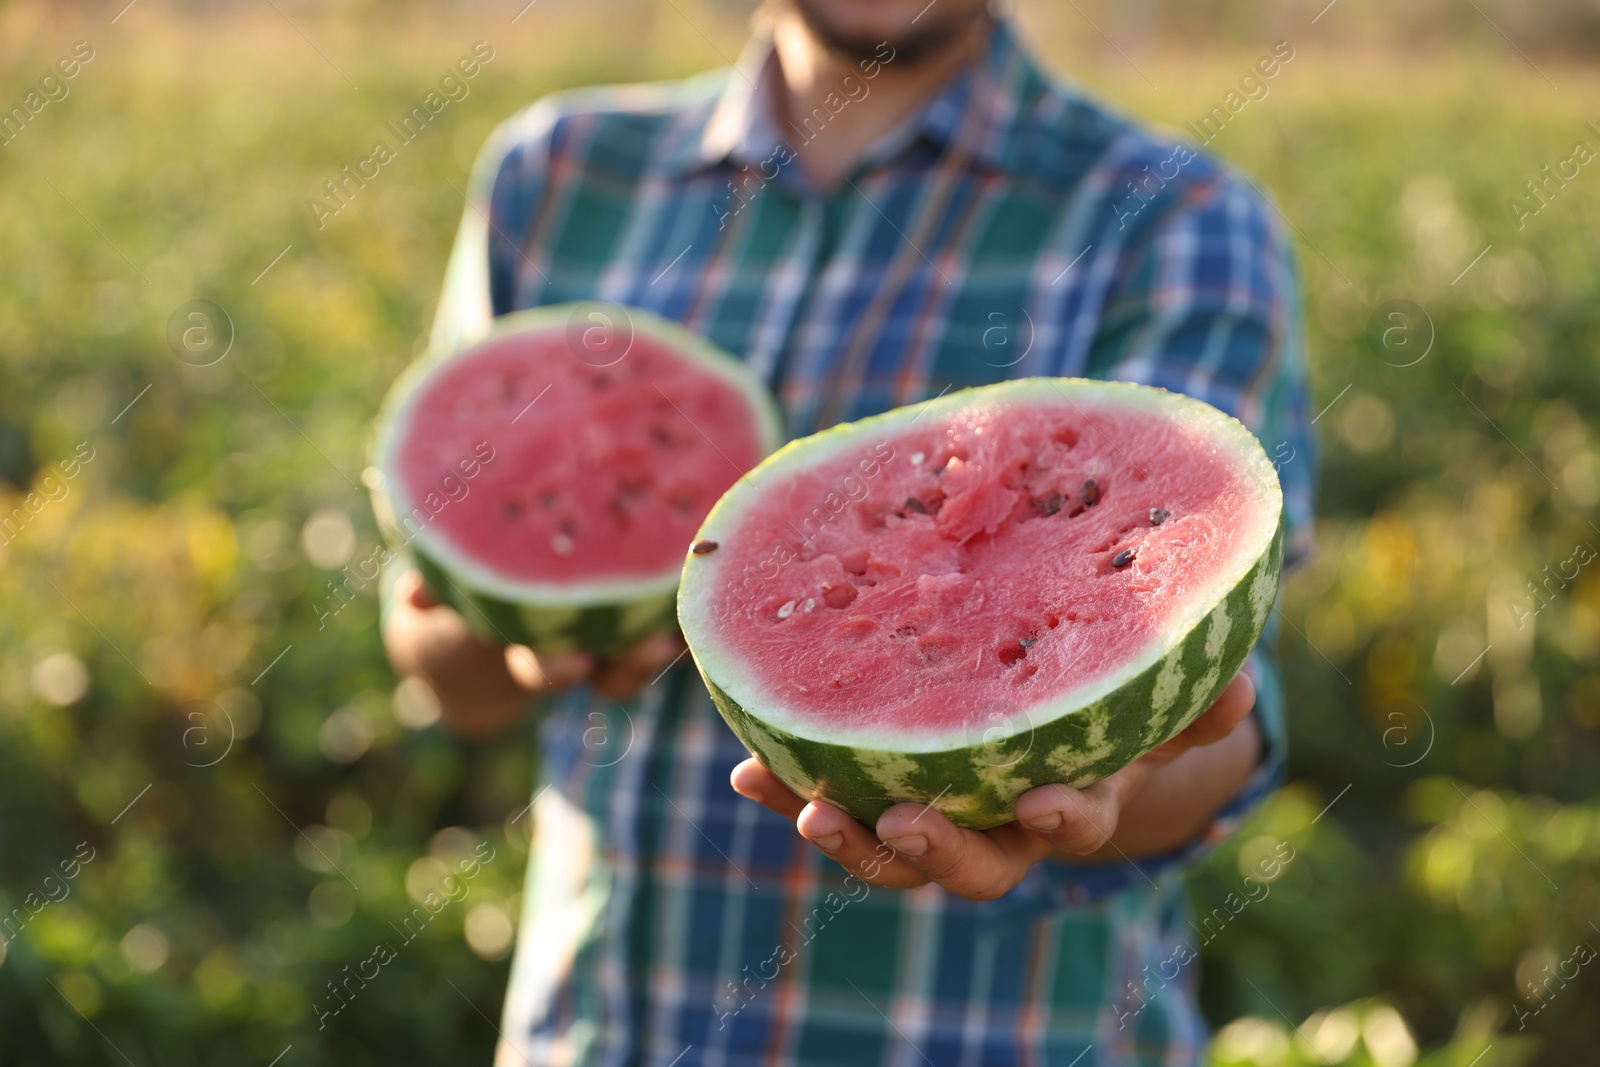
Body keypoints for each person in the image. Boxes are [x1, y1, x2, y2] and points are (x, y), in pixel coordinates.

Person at [383, 0, 1314, 1063]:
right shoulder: (555, 177)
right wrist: (524, 624)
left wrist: (1115, 767)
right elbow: (432, 644)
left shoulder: (1177, 219)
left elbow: (1224, 699)